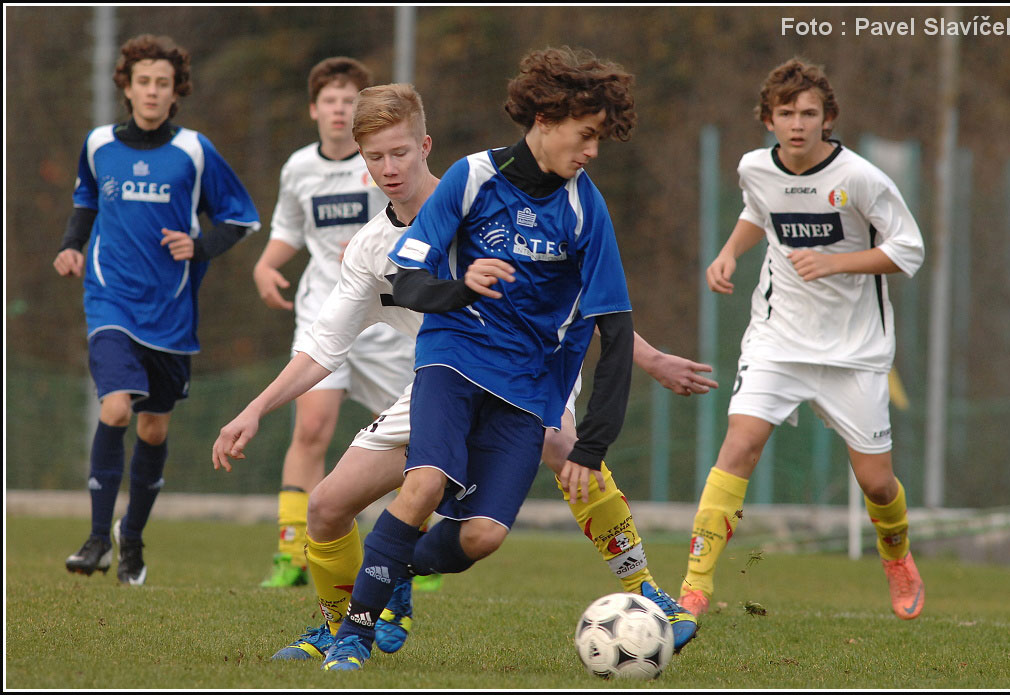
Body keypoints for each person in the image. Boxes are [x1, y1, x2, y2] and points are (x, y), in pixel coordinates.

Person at [213, 81, 717, 666]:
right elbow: (324, 348)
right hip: (443, 378)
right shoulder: (371, 250)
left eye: (400, 152)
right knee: (326, 506)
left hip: (526, 371)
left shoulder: (479, 200)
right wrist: (255, 409)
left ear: (425, 146)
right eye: (375, 157)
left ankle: (646, 590)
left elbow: (572, 298)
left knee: (563, 445)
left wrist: (649, 358)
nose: (390, 168)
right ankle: (337, 625)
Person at [310, 46, 671, 672]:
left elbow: (614, 329)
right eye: (586, 135)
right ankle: (352, 639)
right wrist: (463, 286)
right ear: (545, 119)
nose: (592, 150)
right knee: (423, 483)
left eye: (598, 138)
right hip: (452, 357)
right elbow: (411, 282)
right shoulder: (472, 176)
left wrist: (592, 445)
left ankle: (393, 566)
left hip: (527, 384)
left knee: (483, 536)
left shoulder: (586, 208)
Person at [677, 58, 926, 623]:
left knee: (877, 484)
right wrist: (728, 252)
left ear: (827, 118)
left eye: (809, 113)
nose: (797, 123)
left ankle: (896, 554)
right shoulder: (754, 167)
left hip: (854, 351)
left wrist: (837, 263)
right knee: (739, 445)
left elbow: (908, 249)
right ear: (768, 119)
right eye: (786, 113)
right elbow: (758, 211)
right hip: (777, 338)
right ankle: (694, 586)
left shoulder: (860, 178)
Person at [56, 34, 260, 585]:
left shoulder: (194, 150)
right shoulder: (99, 144)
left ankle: (132, 539)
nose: (151, 91)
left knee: (152, 429)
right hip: (110, 299)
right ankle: (97, 538)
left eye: (162, 83)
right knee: (116, 409)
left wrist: (200, 245)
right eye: (142, 81)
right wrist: (72, 245)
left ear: (176, 92)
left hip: (170, 311)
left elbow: (241, 218)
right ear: (126, 87)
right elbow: (85, 200)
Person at [251, 57, 416, 588]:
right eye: (330, 100)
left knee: (409, 436)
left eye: (349, 100)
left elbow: (406, 222)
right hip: (326, 309)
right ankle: (291, 551)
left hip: (389, 315)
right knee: (312, 427)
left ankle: (411, 546)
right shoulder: (299, 167)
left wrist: (371, 249)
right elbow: (288, 228)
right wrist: (266, 264)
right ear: (314, 110)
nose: (339, 109)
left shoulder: (386, 160)